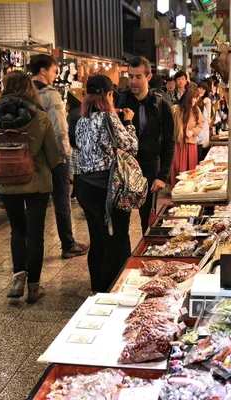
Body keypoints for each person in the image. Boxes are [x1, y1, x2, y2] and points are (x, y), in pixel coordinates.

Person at [0, 71, 61, 303]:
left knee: (17, 229)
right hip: (36, 183)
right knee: (35, 234)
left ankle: (18, 279)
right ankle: (34, 288)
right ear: (29, 88)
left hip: (6, 183)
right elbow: (53, 157)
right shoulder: (42, 118)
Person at [75, 75, 138, 292]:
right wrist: (129, 122)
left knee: (98, 237)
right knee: (116, 238)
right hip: (108, 188)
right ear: (109, 95)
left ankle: (97, 285)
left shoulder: (80, 120)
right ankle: (111, 287)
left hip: (86, 187)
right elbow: (131, 146)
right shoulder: (109, 119)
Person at [30, 55, 89, 259]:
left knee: (35, 206)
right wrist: (65, 154)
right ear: (44, 70)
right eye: (54, 71)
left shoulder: (25, 92)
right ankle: (67, 244)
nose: (55, 76)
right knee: (61, 200)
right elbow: (59, 128)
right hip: (54, 156)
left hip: (32, 158)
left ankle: (32, 252)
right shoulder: (50, 94)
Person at [116, 56, 176, 234]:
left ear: (148, 77)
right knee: (120, 224)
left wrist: (162, 176)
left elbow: (169, 143)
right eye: (130, 76)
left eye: (138, 77)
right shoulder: (121, 101)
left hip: (150, 170)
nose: (133, 81)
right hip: (124, 170)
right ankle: (123, 259)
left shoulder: (161, 105)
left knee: (148, 224)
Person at [170, 88, 205, 187]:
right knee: (176, 166)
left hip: (190, 143)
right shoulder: (176, 109)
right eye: (194, 98)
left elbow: (201, 124)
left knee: (190, 168)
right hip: (178, 143)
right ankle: (176, 188)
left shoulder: (196, 110)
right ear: (188, 98)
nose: (195, 101)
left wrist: (193, 131)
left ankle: (189, 188)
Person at [67, 88, 84, 199]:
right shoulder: (80, 112)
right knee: (79, 173)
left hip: (76, 146)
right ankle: (76, 192)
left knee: (78, 173)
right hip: (81, 146)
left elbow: (72, 133)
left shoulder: (73, 114)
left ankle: (77, 193)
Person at [196, 81, 212, 161]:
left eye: (203, 88)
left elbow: (207, 116)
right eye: (199, 88)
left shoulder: (206, 100)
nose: (200, 90)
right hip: (198, 126)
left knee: (202, 146)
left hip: (203, 125)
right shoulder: (198, 98)